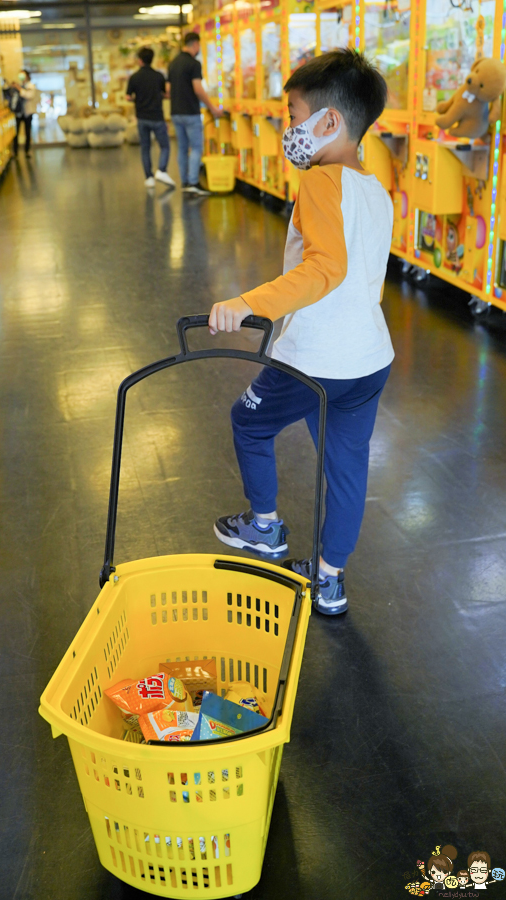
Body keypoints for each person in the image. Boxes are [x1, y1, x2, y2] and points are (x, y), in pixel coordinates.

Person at [208, 50, 394, 616]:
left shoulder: (320, 181)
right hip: (369, 359)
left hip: (315, 359)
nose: (289, 128)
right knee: (345, 466)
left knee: (248, 420)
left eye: (293, 116)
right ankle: (330, 580)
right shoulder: (376, 190)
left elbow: (324, 270)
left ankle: (264, 527)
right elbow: (359, 275)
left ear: (329, 122)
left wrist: (245, 304)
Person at [167, 32, 220, 195]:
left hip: (175, 112)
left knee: (182, 148)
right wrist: (213, 108)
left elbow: (168, 90)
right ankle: (194, 182)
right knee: (196, 147)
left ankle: (185, 182)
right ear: (195, 44)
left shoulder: (173, 63)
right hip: (190, 112)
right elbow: (198, 88)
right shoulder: (194, 64)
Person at [126, 47, 175, 189]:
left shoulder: (134, 77)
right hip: (157, 117)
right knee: (165, 146)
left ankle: (149, 178)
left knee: (145, 148)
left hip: (142, 117)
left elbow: (128, 97)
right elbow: (166, 94)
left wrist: (136, 99)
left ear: (140, 60)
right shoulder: (159, 76)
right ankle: (162, 169)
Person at [12, 69, 38, 157]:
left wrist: (19, 89)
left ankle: (27, 151)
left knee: (27, 132)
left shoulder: (31, 86)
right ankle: (15, 152)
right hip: (19, 113)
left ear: (27, 76)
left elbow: (28, 96)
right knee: (16, 133)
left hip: (27, 113)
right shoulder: (19, 85)